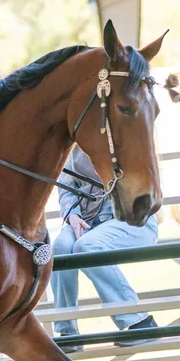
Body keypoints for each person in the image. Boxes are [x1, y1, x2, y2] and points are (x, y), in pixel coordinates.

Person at [50, 146, 158, 348]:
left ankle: (141, 322)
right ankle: (68, 332)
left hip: (130, 219)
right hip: (87, 221)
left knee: (86, 246)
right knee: (61, 248)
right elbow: (66, 190)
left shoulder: (119, 136)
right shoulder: (68, 147)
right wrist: (73, 216)